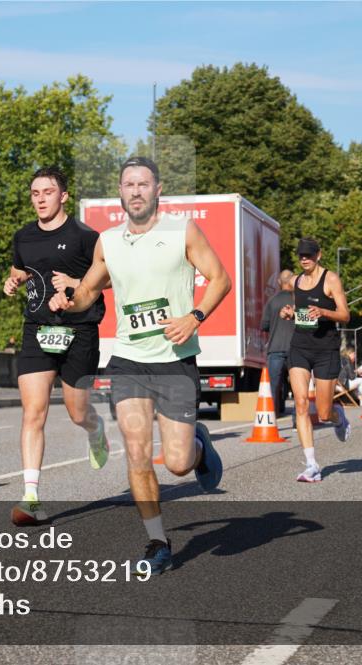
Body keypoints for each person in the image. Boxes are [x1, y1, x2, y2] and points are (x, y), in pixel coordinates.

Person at [49, 156, 231, 575]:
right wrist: (68, 302)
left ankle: (199, 446)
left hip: (175, 360)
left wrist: (194, 317)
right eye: (128, 184)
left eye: (143, 184)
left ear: (158, 190)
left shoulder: (182, 231)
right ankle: (157, 541)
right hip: (128, 360)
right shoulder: (108, 242)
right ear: (120, 191)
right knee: (136, 452)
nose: (135, 191)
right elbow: (88, 292)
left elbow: (220, 279)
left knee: (178, 462)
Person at [3, 166, 109, 527]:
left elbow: (110, 278)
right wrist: (13, 281)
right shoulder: (23, 237)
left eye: (47, 192)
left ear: (63, 196)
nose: (40, 199)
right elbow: (22, 270)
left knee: (78, 413)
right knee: (33, 413)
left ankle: (95, 429)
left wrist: (76, 281)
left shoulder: (86, 237)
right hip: (37, 329)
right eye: (35, 193)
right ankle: (31, 496)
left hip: (79, 331)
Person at [280, 237, 352, 483]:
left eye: (309, 255)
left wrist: (323, 312)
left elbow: (345, 315)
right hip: (300, 347)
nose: (304, 259)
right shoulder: (295, 281)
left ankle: (338, 416)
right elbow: (300, 310)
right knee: (301, 404)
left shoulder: (330, 279)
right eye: (301, 255)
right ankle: (312, 464)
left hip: (325, 350)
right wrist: (290, 313)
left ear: (318, 255)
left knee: (323, 413)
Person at [260, 270, 294, 418]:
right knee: (298, 387)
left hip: (275, 349)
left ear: (279, 282)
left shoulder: (272, 301)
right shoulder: (298, 300)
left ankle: (271, 419)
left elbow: (264, 325)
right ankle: (297, 421)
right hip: (296, 349)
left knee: (273, 387)